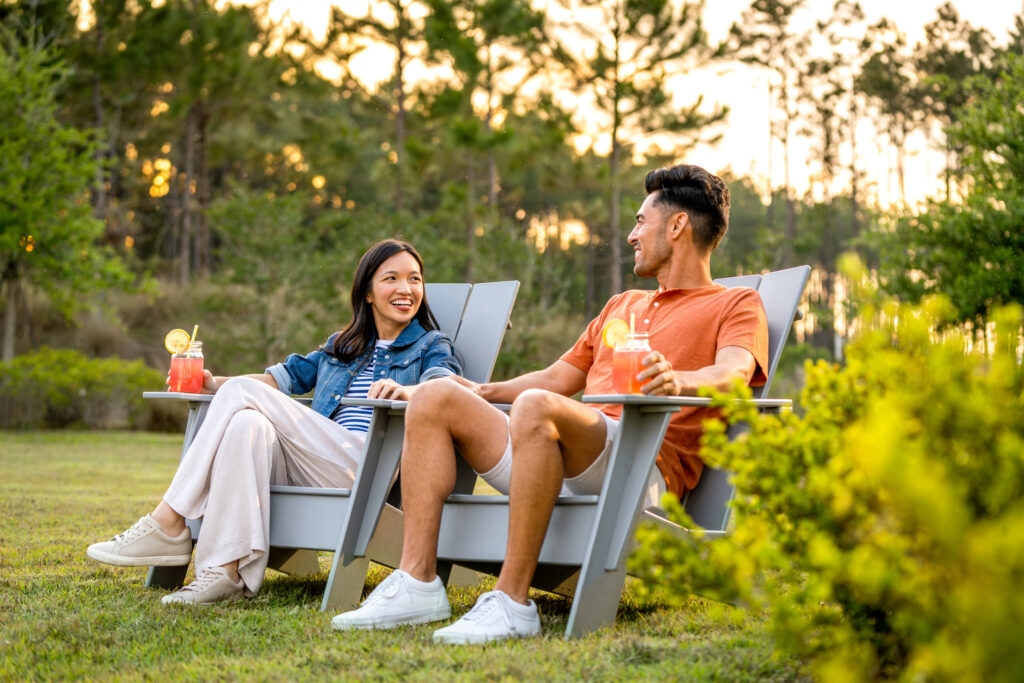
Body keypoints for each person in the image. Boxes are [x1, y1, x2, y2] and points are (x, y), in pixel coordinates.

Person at [330, 164, 769, 643]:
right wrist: (477, 392)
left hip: (641, 466)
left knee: (537, 406)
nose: (631, 235)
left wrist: (675, 381)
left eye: (641, 221)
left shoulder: (736, 303)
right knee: (437, 395)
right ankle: (417, 582)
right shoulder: (621, 305)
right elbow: (557, 378)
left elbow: (731, 375)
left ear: (678, 226)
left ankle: (513, 602)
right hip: (572, 454)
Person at [87, 238, 461, 606]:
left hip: (368, 463)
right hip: (315, 460)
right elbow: (279, 380)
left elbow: (445, 383)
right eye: (391, 278)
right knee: (246, 424)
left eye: (415, 279)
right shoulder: (341, 346)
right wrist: (214, 384)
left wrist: (408, 391)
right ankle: (225, 573)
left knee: (240, 399)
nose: (406, 289)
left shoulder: (430, 344)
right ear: (367, 292)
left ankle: (168, 520)